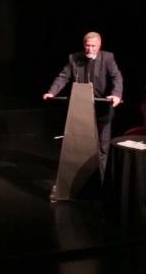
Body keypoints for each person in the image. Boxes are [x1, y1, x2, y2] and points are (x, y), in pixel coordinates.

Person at [42, 31, 123, 176]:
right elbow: (63, 77)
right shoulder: (74, 58)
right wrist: (52, 92)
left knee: (102, 145)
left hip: (102, 107)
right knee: (81, 143)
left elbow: (116, 77)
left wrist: (116, 94)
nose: (90, 49)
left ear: (99, 45)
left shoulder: (107, 58)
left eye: (93, 46)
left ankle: (102, 177)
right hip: (81, 108)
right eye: (87, 45)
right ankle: (81, 175)